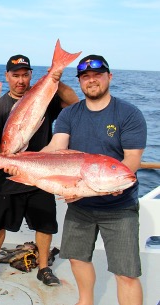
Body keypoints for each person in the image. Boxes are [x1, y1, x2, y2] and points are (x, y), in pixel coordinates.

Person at [42, 55, 146, 305]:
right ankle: (85, 301)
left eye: (97, 75)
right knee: (77, 258)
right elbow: (56, 147)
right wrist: (17, 161)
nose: (91, 81)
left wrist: (108, 186)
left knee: (126, 272)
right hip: (80, 205)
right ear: (80, 82)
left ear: (109, 77)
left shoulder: (129, 114)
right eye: (85, 77)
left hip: (119, 206)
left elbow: (132, 159)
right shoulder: (70, 115)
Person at [0, 54, 79, 285]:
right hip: (8, 175)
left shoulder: (43, 98)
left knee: (45, 223)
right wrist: (4, 156)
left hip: (40, 174)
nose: (21, 80)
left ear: (31, 75)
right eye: (15, 75)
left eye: (25, 75)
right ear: (7, 77)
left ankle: (44, 268)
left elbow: (74, 103)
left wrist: (55, 78)